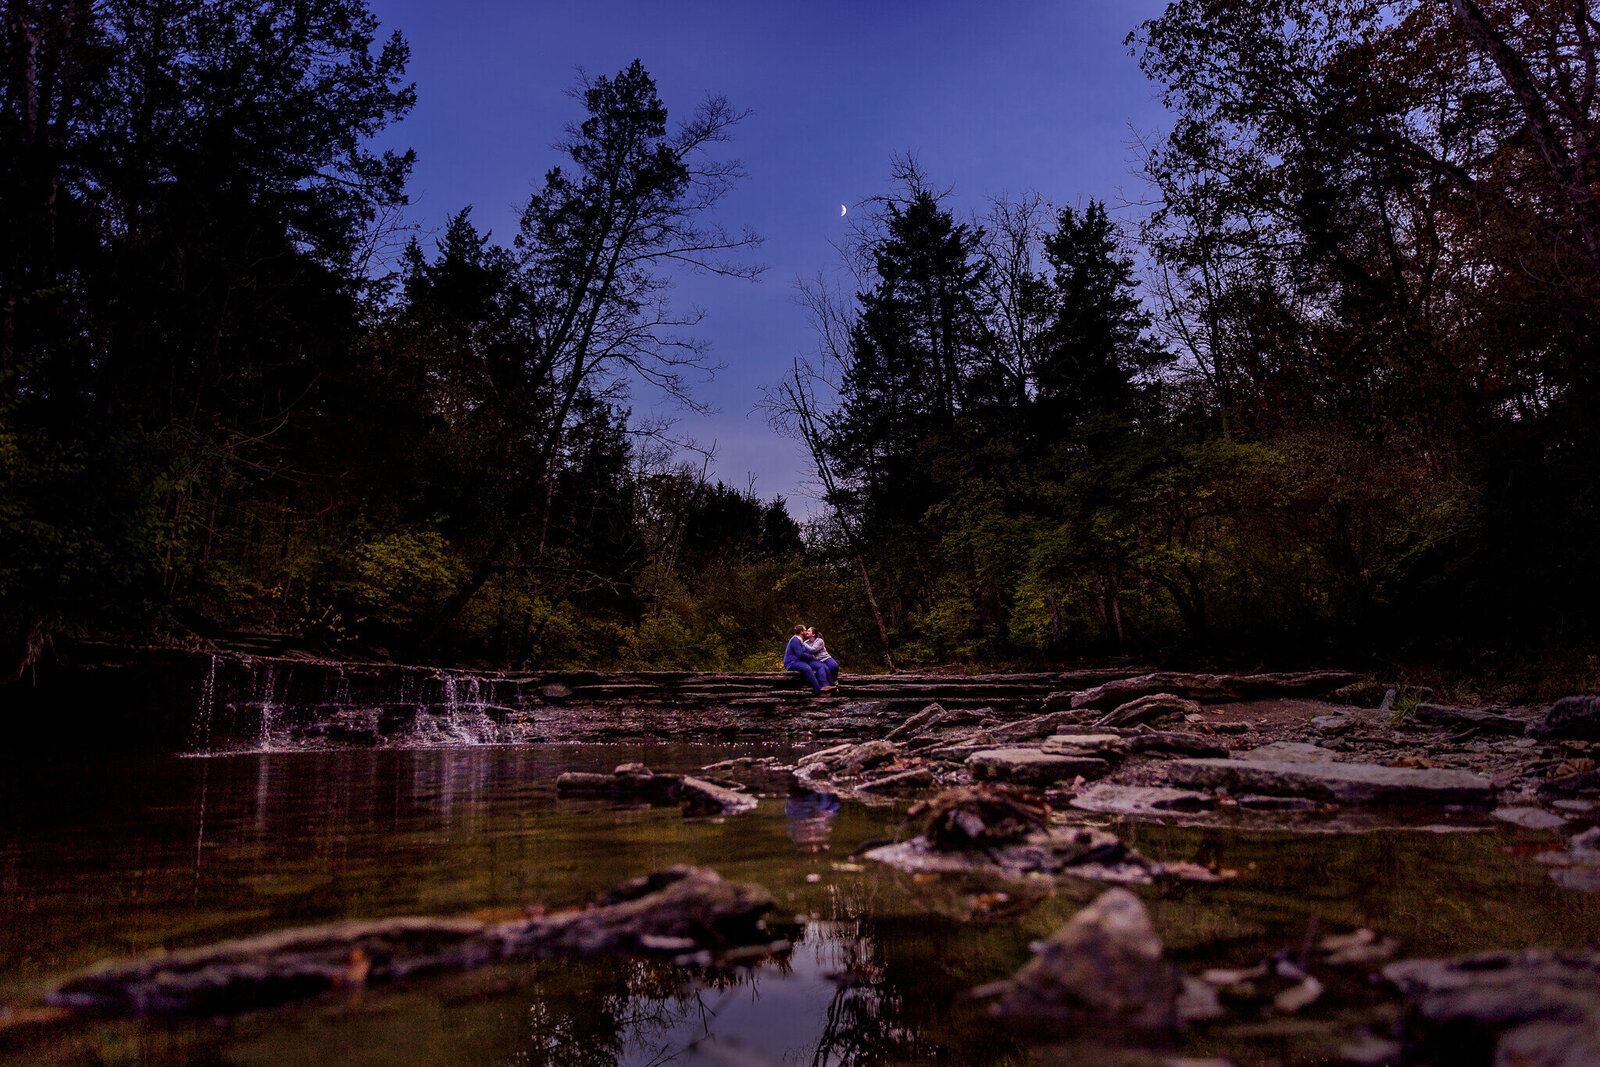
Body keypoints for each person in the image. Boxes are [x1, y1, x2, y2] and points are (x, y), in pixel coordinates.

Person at [783, 624, 831, 694]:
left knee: (820, 666)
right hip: (792, 662)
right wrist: (812, 657)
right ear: (801, 632)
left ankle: (825, 686)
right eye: (805, 630)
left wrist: (811, 657)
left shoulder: (801, 641)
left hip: (800, 661)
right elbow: (800, 655)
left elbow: (805, 653)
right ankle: (818, 691)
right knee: (807, 668)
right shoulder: (795, 640)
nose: (807, 632)